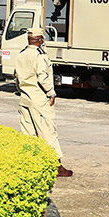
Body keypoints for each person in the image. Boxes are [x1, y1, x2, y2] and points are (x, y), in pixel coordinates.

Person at [15, 28, 73, 177]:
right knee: (48, 132)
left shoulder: (21, 54)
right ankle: (56, 166)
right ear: (40, 40)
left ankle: (29, 165)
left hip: (25, 98)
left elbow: (17, 77)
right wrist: (51, 93)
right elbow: (43, 77)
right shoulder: (39, 55)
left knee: (28, 133)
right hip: (39, 99)